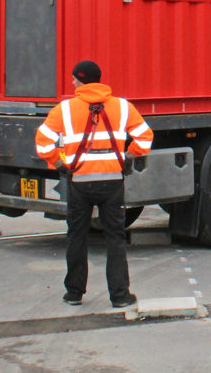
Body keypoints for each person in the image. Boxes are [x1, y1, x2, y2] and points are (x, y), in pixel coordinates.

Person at [34, 60, 153, 308]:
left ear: (81, 79)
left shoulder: (64, 109)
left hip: (79, 183)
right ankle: (120, 295)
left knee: (77, 236)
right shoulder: (122, 106)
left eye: (74, 78)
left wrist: (59, 164)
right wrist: (130, 156)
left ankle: (74, 293)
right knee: (115, 239)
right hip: (112, 183)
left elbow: (43, 143)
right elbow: (145, 136)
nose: (72, 82)